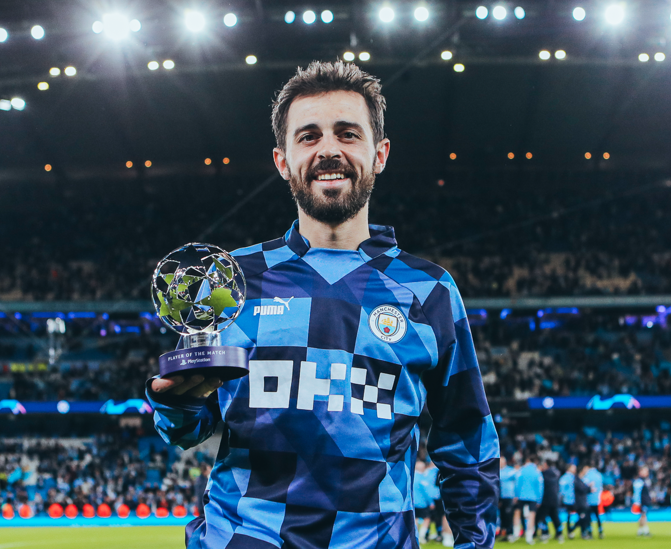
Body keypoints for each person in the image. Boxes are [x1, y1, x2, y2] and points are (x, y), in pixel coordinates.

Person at [146, 61, 500, 549]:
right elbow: (187, 430)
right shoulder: (229, 280)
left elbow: (468, 444)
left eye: (348, 134)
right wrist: (176, 401)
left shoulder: (428, 290)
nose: (329, 149)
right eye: (308, 136)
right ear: (282, 160)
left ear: (379, 154)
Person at [515, 455, 544, 545]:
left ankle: (515, 534)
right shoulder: (537, 471)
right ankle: (529, 537)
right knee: (532, 516)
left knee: (517, 513)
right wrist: (539, 499)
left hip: (521, 496)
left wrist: (516, 495)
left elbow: (517, 484)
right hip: (533, 497)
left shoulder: (521, 470)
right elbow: (540, 487)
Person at [537, 459, 562, 542]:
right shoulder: (556, 473)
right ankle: (559, 534)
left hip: (546, 499)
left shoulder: (544, 474)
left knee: (542, 516)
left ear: (545, 464)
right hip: (555, 499)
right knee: (555, 517)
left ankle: (545, 533)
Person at [414, 460, 436, 543]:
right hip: (422, 503)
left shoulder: (411, 478)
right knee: (427, 519)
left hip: (413, 503)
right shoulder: (422, 479)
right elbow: (427, 492)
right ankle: (421, 536)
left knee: (415, 519)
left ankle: (415, 535)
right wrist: (431, 502)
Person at [583, 462, 604, 539]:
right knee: (597, 516)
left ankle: (590, 532)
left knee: (589, 517)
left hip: (588, 500)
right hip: (597, 499)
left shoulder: (587, 476)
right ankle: (600, 531)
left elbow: (583, 486)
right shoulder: (599, 475)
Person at [500, 457, 518, 540]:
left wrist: (516, 495)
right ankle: (503, 533)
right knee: (502, 515)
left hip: (509, 496)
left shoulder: (511, 471)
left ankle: (510, 533)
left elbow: (517, 480)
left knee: (509, 515)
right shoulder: (497, 470)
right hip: (500, 497)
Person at [559, 464, 578, 540]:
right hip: (568, 500)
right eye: (573, 468)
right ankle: (569, 531)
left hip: (573, 499)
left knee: (570, 516)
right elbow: (562, 489)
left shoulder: (573, 477)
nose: (575, 469)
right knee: (568, 516)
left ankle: (570, 530)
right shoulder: (565, 478)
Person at [632, 465, 652, 537]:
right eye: (645, 471)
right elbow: (637, 493)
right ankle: (646, 531)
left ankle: (640, 531)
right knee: (643, 516)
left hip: (645, 501)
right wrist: (637, 502)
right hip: (642, 502)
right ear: (640, 472)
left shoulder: (645, 480)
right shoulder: (639, 481)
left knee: (643, 516)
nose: (647, 472)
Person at [574, 466, 593, 540]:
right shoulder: (577, 480)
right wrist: (589, 487)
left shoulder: (581, 480)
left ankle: (584, 532)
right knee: (583, 518)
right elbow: (582, 489)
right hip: (580, 503)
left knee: (585, 518)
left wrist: (589, 489)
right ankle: (573, 529)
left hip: (583, 502)